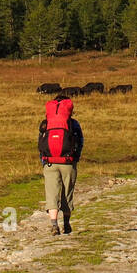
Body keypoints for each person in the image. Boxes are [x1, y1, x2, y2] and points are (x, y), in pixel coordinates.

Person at [38, 93, 83, 235]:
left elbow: (40, 142)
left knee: (51, 194)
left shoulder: (46, 122)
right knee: (67, 192)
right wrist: (75, 158)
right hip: (68, 162)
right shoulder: (73, 123)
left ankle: (54, 225)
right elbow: (80, 141)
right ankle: (67, 224)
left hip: (50, 163)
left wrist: (44, 160)